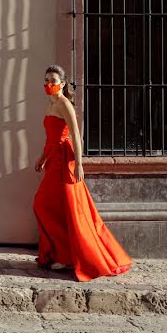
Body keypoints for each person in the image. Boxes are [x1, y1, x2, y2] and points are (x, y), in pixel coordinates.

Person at [33, 64, 131, 281]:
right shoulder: (51, 104)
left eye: (53, 80)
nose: (49, 84)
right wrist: (42, 159)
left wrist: (79, 163)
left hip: (64, 161)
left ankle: (67, 256)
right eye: (46, 80)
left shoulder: (64, 104)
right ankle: (63, 254)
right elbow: (51, 138)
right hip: (53, 161)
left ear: (63, 83)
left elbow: (76, 134)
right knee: (54, 208)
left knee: (46, 205)